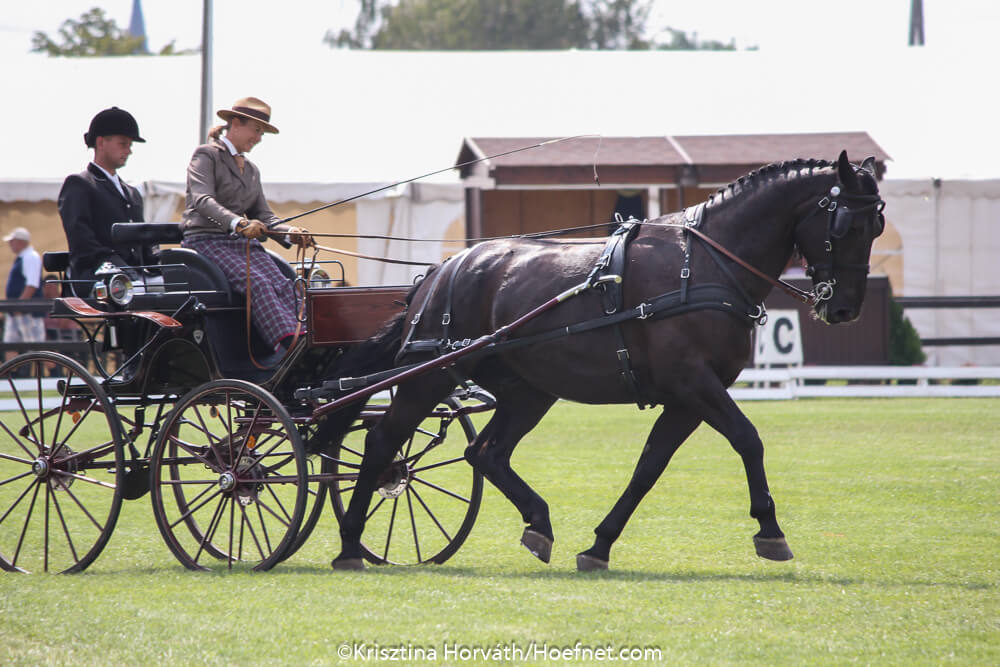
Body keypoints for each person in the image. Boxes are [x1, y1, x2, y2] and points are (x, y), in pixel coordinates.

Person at [181, 97, 311, 351]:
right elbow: (202, 200)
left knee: (284, 283)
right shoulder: (206, 155)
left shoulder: (251, 170)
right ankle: (287, 343)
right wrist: (239, 223)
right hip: (206, 241)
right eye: (257, 130)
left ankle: (307, 335)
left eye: (262, 133)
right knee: (258, 283)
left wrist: (290, 233)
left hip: (240, 245)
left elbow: (265, 216)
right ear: (236, 123)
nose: (259, 138)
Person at [58, 106, 159, 296]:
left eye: (130, 145)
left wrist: (158, 264)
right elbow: (82, 241)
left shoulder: (132, 193)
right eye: (123, 144)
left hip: (134, 275)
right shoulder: (79, 184)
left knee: (177, 287)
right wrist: (120, 267)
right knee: (137, 291)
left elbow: (143, 241)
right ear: (101, 142)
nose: (129, 151)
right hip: (96, 274)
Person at [3, 227, 45, 358]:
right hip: (17, 310)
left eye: (12, 241)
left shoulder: (31, 257)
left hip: (27, 311)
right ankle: (11, 370)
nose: (10, 244)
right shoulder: (22, 258)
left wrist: (20, 306)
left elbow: (32, 285)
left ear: (20, 241)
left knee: (37, 349)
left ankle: (56, 368)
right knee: (10, 346)